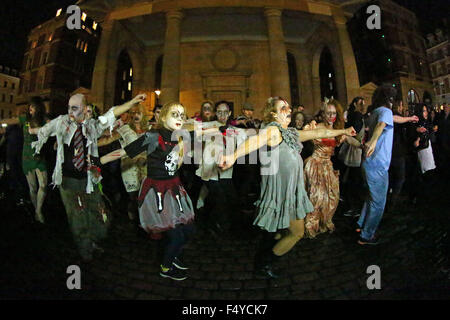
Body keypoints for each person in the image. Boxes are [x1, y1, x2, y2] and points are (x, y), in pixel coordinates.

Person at [219, 97, 356, 278]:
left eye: (288, 106)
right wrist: (234, 156)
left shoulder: (288, 132)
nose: (288, 109)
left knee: (281, 230)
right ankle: (264, 263)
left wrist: (344, 130)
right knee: (297, 233)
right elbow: (256, 141)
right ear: (274, 114)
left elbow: (318, 133)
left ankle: (265, 253)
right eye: (283, 107)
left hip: (290, 190)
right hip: (283, 192)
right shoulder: (273, 130)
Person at [31, 93, 147, 262]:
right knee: (78, 216)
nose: (70, 111)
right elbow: (43, 130)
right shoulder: (62, 122)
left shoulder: (93, 126)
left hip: (88, 180)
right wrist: (33, 131)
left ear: (85, 109)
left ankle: (92, 239)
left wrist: (131, 103)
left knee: (100, 214)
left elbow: (111, 114)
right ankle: (85, 250)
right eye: (69, 107)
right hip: (68, 182)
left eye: (75, 108)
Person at [100, 102, 208, 281]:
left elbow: (207, 129)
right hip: (157, 190)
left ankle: (173, 256)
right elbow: (124, 152)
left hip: (174, 188)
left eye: (182, 115)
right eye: (175, 114)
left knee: (188, 230)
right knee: (176, 236)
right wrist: (97, 161)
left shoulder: (182, 135)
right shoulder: (153, 136)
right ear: (163, 117)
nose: (180, 118)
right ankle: (166, 267)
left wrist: (228, 129)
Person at [303, 98, 361, 238]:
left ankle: (324, 221)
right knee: (316, 197)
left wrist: (364, 145)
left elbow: (351, 140)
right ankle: (311, 224)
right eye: (328, 113)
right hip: (315, 165)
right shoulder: (317, 126)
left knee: (332, 197)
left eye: (333, 113)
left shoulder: (339, 130)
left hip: (328, 166)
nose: (330, 116)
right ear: (323, 114)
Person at [196, 101, 248, 237]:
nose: (222, 115)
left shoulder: (233, 130)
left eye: (225, 112)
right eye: (219, 111)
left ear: (230, 113)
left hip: (225, 171)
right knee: (217, 197)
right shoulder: (208, 126)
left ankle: (228, 226)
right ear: (215, 113)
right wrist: (214, 130)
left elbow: (245, 141)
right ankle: (211, 226)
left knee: (229, 199)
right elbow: (195, 131)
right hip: (209, 170)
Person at [356, 85, 396, 245]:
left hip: (368, 163)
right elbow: (381, 126)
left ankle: (361, 224)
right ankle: (367, 235)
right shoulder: (386, 112)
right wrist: (372, 141)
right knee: (378, 203)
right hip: (378, 164)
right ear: (390, 98)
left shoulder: (375, 112)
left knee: (371, 198)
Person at [1, 97, 49, 223]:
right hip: (27, 156)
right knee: (32, 187)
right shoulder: (25, 119)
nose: (30, 109)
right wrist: (2, 121)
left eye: (33, 106)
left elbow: (54, 126)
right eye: (30, 107)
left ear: (38, 107)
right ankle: (37, 212)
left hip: (39, 155)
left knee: (43, 184)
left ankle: (38, 211)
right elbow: (12, 120)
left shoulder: (44, 120)